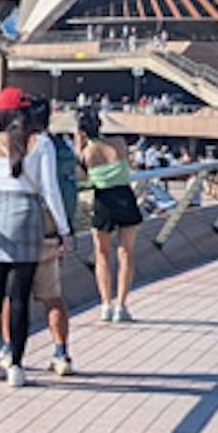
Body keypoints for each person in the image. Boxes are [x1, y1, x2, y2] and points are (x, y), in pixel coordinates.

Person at [0, 88, 70, 385]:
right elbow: (50, 191)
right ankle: (16, 367)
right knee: (20, 297)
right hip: (27, 220)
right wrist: (63, 230)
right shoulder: (41, 144)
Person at [26, 97, 78, 376]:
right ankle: (61, 353)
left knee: (13, 297)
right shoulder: (62, 146)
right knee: (53, 297)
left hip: (21, 230)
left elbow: (48, 189)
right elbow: (59, 193)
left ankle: (9, 350)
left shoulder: (26, 145)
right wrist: (65, 230)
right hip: (51, 230)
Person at [77, 109, 143, 322]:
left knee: (102, 254)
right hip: (124, 195)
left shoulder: (87, 152)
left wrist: (80, 144)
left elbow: (82, 177)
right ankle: (121, 306)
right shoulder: (119, 143)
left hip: (103, 199)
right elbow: (128, 164)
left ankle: (106, 304)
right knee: (127, 253)